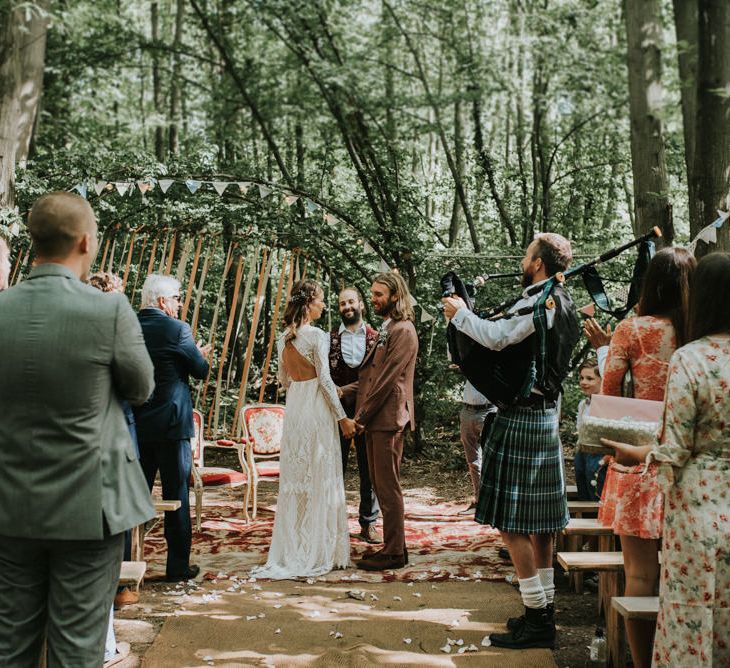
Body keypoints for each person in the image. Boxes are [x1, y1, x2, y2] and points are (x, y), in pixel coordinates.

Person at [0, 192, 155, 666]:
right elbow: (142, 387)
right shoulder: (108, 311)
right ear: (87, 241)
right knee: (78, 648)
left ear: (33, 242)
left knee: (10, 645)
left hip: (8, 504)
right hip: (90, 504)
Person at [442, 232, 580, 650]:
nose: (523, 260)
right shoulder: (561, 301)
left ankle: (537, 617)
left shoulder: (541, 303)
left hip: (524, 416)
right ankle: (543, 613)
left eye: (527, 255)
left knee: (513, 522)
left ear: (538, 263)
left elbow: (498, 338)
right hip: (545, 416)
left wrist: (460, 315)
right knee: (541, 526)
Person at [601, 252, 730, 668]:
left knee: (686, 612)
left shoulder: (690, 359)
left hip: (693, 501)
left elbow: (673, 449)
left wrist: (632, 452)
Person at [597, 246, 695, 668]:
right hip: (691, 461)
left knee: (639, 575)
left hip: (637, 461)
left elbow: (609, 394)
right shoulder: (701, 333)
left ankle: (642, 664)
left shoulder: (631, 330)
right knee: (688, 575)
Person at [252, 279, 355, 579]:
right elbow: (323, 380)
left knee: (298, 479)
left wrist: (304, 385)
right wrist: (342, 418)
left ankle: (295, 545)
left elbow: (284, 381)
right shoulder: (317, 336)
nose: (324, 305)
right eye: (321, 300)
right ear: (309, 303)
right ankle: (319, 549)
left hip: (295, 410)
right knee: (320, 476)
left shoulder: (285, 337)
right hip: (316, 412)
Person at [134, 274, 211, 582]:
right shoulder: (177, 330)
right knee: (176, 495)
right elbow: (200, 370)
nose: (180, 303)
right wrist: (199, 354)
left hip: (136, 426)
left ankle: (127, 561)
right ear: (163, 301)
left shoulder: (126, 325)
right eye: (178, 298)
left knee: (134, 497)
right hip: (171, 426)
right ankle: (177, 567)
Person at [342, 271, 418, 572]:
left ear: (395, 296)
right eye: (371, 294)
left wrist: (359, 419)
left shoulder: (403, 331)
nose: (372, 299)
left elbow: (386, 382)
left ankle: (395, 551)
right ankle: (394, 546)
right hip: (376, 420)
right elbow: (368, 376)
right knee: (379, 483)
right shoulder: (388, 328)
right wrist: (341, 392)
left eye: (378, 295)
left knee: (388, 487)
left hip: (387, 419)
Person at [329, 286, 381, 543]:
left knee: (367, 468)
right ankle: (333, 523)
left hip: (367, 410)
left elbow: (377, 378)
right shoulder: (328, 338)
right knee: (334, 467)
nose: (347, 307)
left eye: (351, 302)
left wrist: (347, 393)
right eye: (342, 304)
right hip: (336, 411)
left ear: (360, 304)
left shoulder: (376, 337)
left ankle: (369, 523)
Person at [457, 381, 495, 514]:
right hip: (467, 411)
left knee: (492, 459)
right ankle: (479, 501)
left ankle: (493, 502)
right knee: (472, 460)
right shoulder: (469, 361)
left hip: (489, 410)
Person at [574, 357, 607, 501]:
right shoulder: (583, 404)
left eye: (590, 378)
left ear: (602, 380)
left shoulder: (608, 404)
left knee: (596, 493)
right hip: (582, 452)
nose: (583, 382)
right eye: (581, 378)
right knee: (583, 492)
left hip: (599, 453)